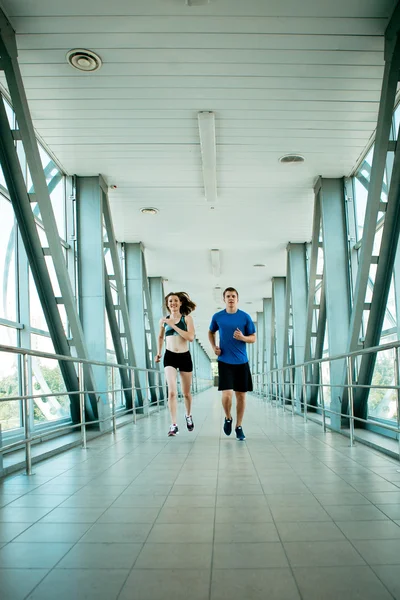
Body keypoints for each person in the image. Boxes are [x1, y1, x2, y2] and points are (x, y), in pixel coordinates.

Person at [208, 287, 256, 441]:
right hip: (224, 361)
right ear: (224, 299)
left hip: (241, 361)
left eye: (233, 296)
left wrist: (243, 337)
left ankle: (239, 426)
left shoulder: (245, 317)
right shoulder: (218, 317)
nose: (230, 298)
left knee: (241, 396)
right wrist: (214, 346)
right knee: (227, 395)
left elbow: (253, 338)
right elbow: (210, 332)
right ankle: (228, 418)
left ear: (237, 299)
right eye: (228, 296)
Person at [155, 292, 196, 437]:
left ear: (180, 303)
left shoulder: (187, 319)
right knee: (172, 392)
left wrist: (174, 325)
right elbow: (160, 336)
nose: (173, 303)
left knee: (186, 393)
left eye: (175, 301)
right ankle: (173, 425)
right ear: (167, 304)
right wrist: (158, 352)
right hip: (170, 356)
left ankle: (188, 415)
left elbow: (190, 337)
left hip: (184, 356)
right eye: (170, 301)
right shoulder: (163, 320)